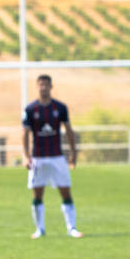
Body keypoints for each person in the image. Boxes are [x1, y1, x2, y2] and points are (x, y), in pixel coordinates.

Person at [22, 74, 82, 239]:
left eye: (46, 85)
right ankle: (39, 229)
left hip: (57, 157)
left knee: (65, 191)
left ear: (51, 87)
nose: (43, 87)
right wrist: (27, 157)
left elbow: (69, 131)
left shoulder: (60, 108)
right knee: (37, 193)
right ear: (37, 86)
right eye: (41, 84)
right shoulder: (30, 109)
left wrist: (73, 153)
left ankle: (72, 228)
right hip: (38, 157)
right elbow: (25, 134)